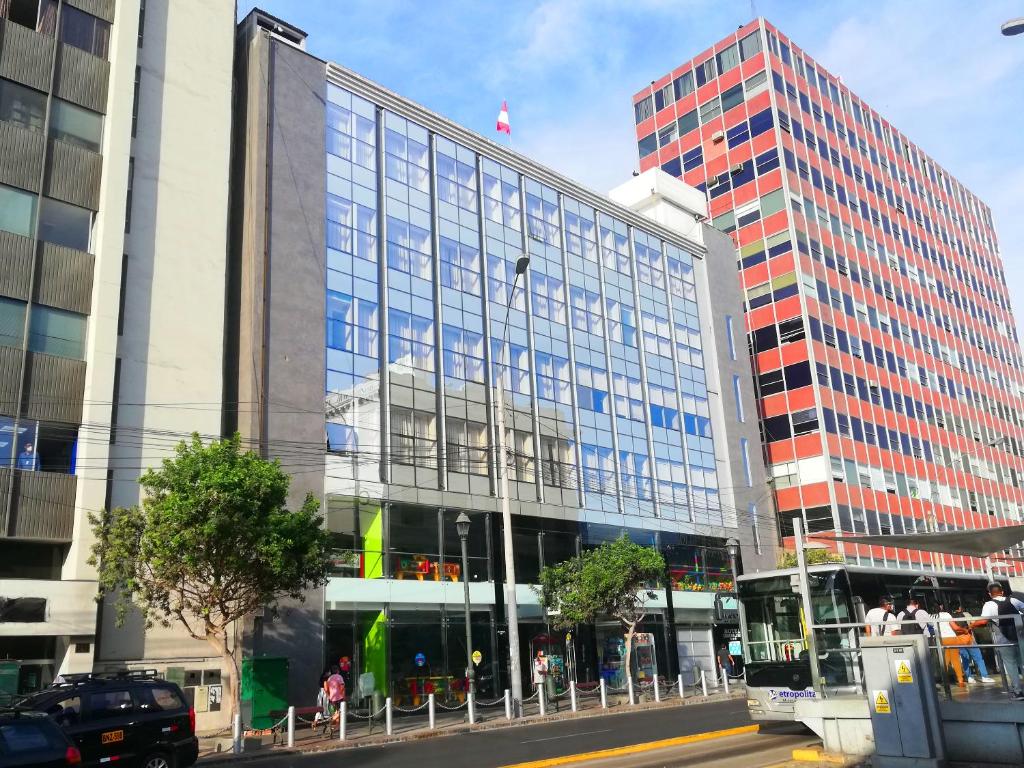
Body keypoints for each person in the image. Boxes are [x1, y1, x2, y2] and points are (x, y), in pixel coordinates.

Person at [980, 582, 1024, 700]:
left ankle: (1018, 692)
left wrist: (971, 625)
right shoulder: (1013, 601)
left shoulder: (989, 605)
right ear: (1002, 591)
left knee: (1011, 664)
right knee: (1022, 663)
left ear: (990, 594)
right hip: (1020, 636)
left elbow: (983, 621)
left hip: (1003, 639)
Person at [951, 603, 995, 684]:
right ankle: (984, 676)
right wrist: (969, 628)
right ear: (960, 608)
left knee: (965, 660)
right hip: (969, 639)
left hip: (959, 641)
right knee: (979, 658)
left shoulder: (950, 617)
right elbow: (974, 623)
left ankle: (969, 677)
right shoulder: (966, 614)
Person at [933, 602, 967, 688]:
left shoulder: (931, 616)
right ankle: (960, 681)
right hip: (951, 638)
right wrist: (964, 630)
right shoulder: (946, 614)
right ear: (941, 606)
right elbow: (955, 627)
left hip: (940, 639)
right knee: (955, 660)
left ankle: (945, 681)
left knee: (945, 661)